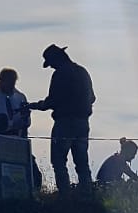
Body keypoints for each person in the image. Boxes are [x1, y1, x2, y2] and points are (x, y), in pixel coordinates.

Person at [29, 43, 96, 194]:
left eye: (51, 63)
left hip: (64, 123)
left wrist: (34, 106)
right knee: (82, 162)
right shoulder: (82, 72)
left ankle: (65, 196)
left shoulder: (60, 74)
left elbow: (52, 101)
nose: (51, 67)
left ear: (56, 60)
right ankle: (87, 194)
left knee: (59, 162)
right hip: (83, 123)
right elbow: (92, 98)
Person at [0, 68, 31, 137]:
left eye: (12, 81)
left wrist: (25, 118)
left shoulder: (21, 97)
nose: (10, 84)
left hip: (18, 135)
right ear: (1, 80)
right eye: (8, 81)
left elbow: (26, 121)